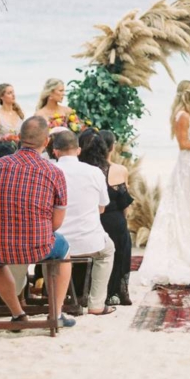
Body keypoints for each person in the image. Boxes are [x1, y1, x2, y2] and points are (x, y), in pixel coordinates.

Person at [0, 116, 74, 327]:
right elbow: (56, 223)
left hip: (0, 247)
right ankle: (56, 313)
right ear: (47, 142)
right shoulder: (54, 172)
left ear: (19, 138)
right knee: (64, 249)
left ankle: (17, 312)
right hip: (39, 246)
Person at [137, 81, 190, 285]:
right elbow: (183, 144)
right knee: (183, 204)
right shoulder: (182, 116)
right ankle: (183, 250)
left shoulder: (188, 114)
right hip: (187, 163)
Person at [52, 130, 117, 315]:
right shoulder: (94, 172)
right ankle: (96, 303)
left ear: (55, 151)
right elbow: (102, 206)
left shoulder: (49, 169)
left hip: (57, 242)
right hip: (89, 240)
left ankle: (58, 299)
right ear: (78, 150)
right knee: (107, 251)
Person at [85, 129, 133, 306]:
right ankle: (116, 291)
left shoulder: (86, 170)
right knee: (122, 237)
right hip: (113, 221)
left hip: (92, 220)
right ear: (112, 147)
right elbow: (125, 206)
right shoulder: (120, 170)